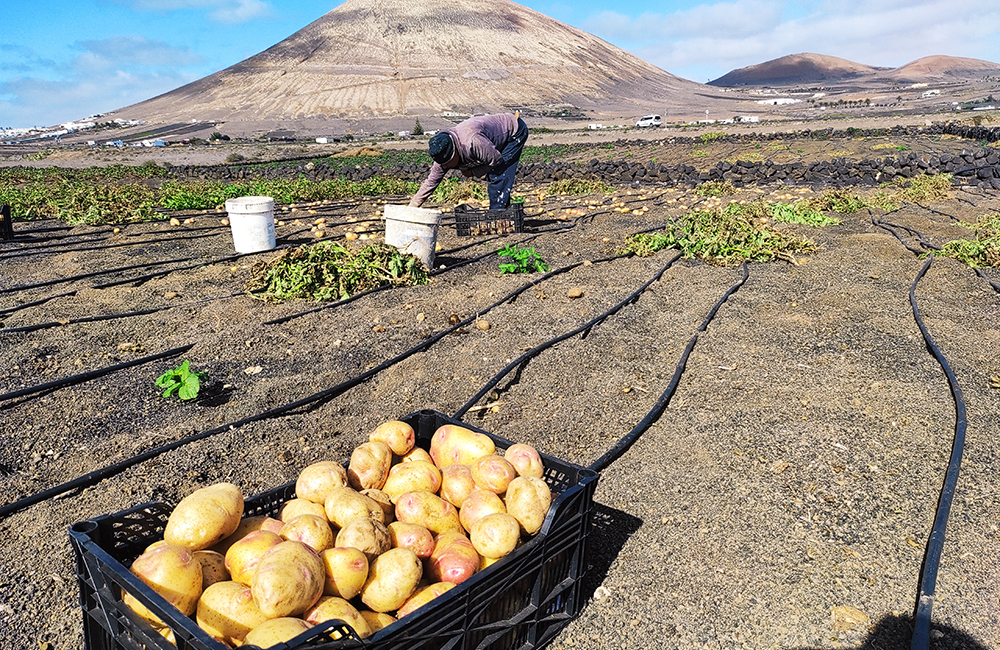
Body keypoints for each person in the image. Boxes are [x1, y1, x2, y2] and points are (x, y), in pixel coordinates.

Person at [409, 112, 529, 211]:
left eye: (447, 163)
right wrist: (412, 207)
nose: (445, 166)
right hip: (490, 143)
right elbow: (431, 181)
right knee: (496, 176)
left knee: (498, 173)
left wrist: (473, 172)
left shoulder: (473, 142)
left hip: (514, 131)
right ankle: (505, 212)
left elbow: (496, 160)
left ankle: (497, 216)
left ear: (455, 153)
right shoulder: (442, 154)